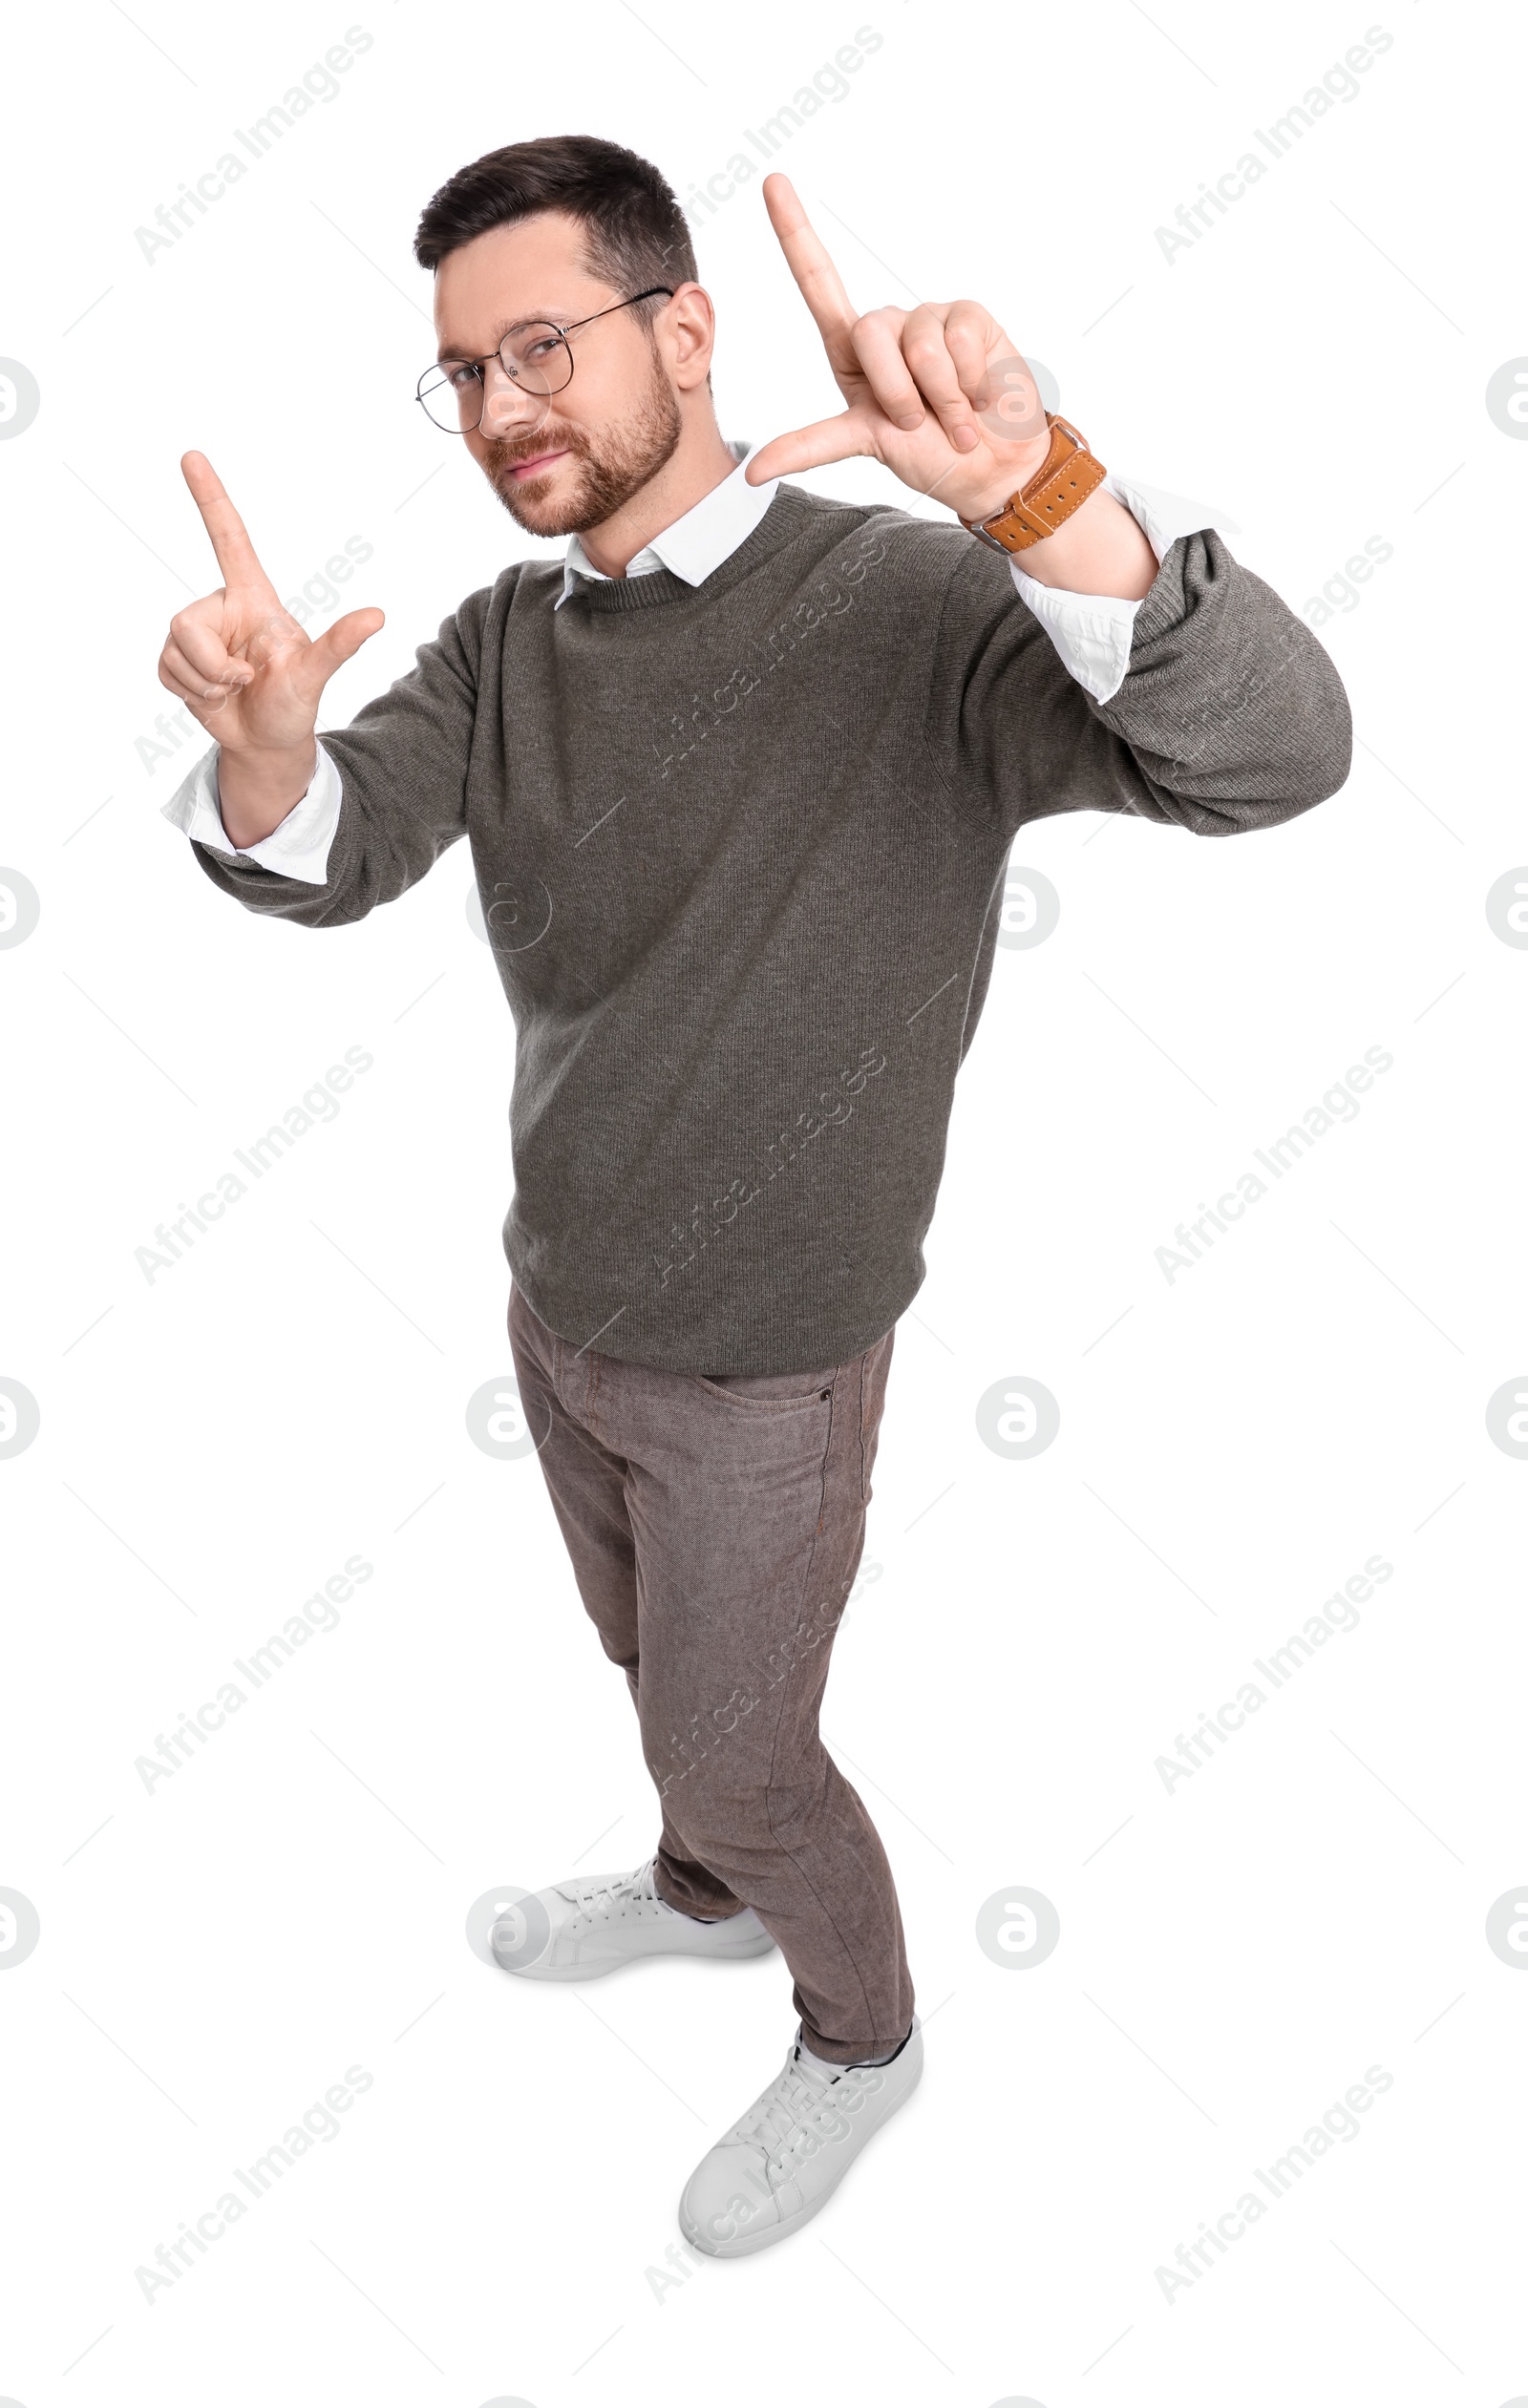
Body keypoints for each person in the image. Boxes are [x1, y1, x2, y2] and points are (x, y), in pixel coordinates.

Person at [158, 134, 1350, 2257]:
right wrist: (264, 753)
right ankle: (703, 1883)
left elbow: (1269, 760)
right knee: (648, 1675)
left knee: (734, 1740)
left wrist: (1041, 496)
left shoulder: (911, 610)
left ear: (681, 329)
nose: (505, 405)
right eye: (463, 370)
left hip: (766, 1371)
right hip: (562, 1318)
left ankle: (858, 2028)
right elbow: (329, 847)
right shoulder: (504, 637)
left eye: (544, 344)